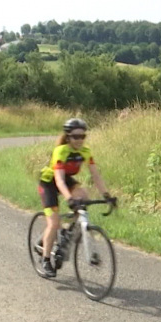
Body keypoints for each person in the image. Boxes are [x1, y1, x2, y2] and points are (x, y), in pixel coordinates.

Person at [37, 118, 117, 278]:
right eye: (75, 136)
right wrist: (69, 199)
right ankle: (46, 260)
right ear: (68, 137)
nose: (79, 140)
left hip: (66, 179)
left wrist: (107, 195)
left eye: (82, 136)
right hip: (49, 183)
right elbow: (58, 180)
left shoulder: (85, 152)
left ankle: (67, 232)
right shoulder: (61, 151)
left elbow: (96, 175)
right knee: (53, 223)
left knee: (84, 198)